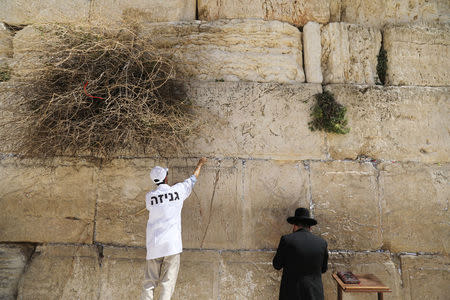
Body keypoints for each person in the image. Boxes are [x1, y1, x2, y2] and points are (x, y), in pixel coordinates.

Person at [141, 157, 207, 300]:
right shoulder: (178, 191)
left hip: (154, 243)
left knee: (149, 282)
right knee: (168, 282)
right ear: (166, 178)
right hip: (172, 244)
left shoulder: (149, 197)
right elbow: (192, 179)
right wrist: (200, 164)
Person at [273, 207, 329, 300]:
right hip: (314, 294)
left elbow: (277, 265)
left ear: (294, 225)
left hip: (291, 294)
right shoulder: (322, 243)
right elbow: (323, 269)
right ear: (310, 227)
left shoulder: (286, 240)